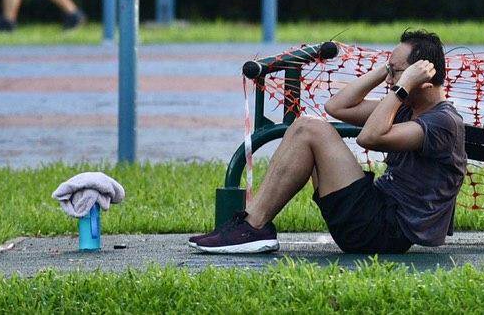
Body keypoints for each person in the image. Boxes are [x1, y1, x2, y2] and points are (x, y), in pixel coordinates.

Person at [189, 30, 467, 254]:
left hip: (385, 231)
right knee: (306, 126)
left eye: (397, 73)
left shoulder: (442, 122)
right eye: (391, 72)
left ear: (424, 81)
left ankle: (254, 226)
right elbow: (338, 106)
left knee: (310, 128)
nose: (390, 81)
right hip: (375, 216)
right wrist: (388, 69)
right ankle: (252, 224)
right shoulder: (407, 107)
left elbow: (369, 137)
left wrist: (402, 85)